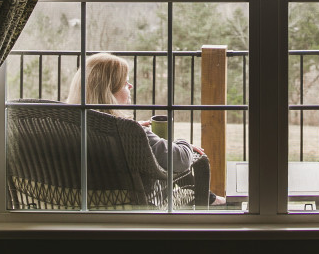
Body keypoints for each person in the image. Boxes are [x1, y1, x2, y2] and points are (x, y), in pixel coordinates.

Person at [66, 52, 226, 206]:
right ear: (108, 92)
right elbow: (180, 160)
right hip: (134, 206)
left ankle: (211, 198)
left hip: (78, 203)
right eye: (124, 83)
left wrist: (136, 132)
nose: (131, 85)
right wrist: (182, 143)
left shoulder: (67, 124)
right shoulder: (127, 132)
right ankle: (210, 200)